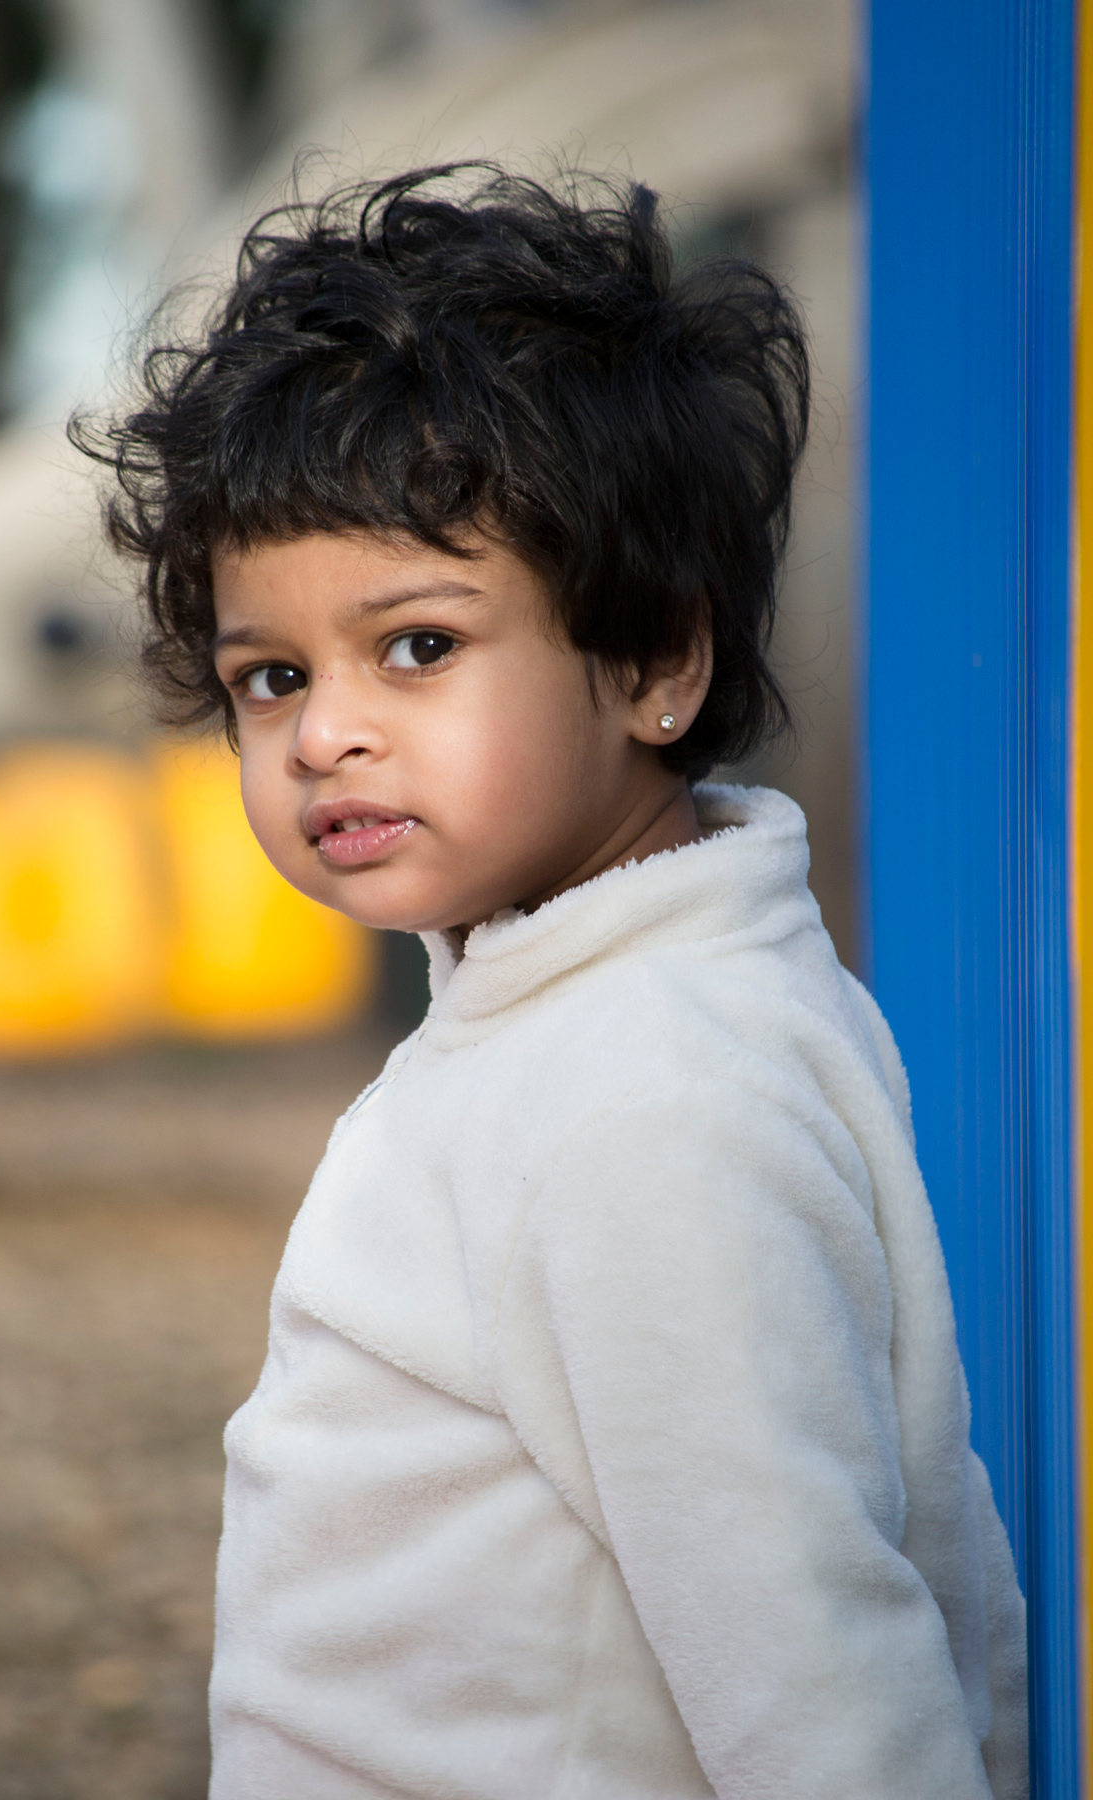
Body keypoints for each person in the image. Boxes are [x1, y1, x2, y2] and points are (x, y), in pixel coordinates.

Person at [81, 164, 1027, 1799]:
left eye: (419, 646)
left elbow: (812, 1659)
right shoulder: (621, 1009)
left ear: (656, 658)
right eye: (273, 675)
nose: (325, 732)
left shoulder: (642, 1099)